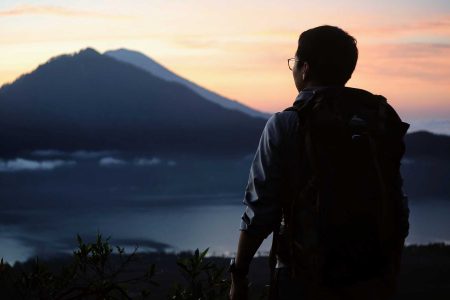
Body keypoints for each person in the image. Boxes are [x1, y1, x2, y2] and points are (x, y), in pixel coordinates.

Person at [229, 25, 410, 300]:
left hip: (304, 276)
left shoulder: (287, 124)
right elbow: (396, 198)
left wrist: (239, 273)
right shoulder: (379, 119)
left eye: (294, 63)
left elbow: (261, 210)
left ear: (305, 69)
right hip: (373, 274)